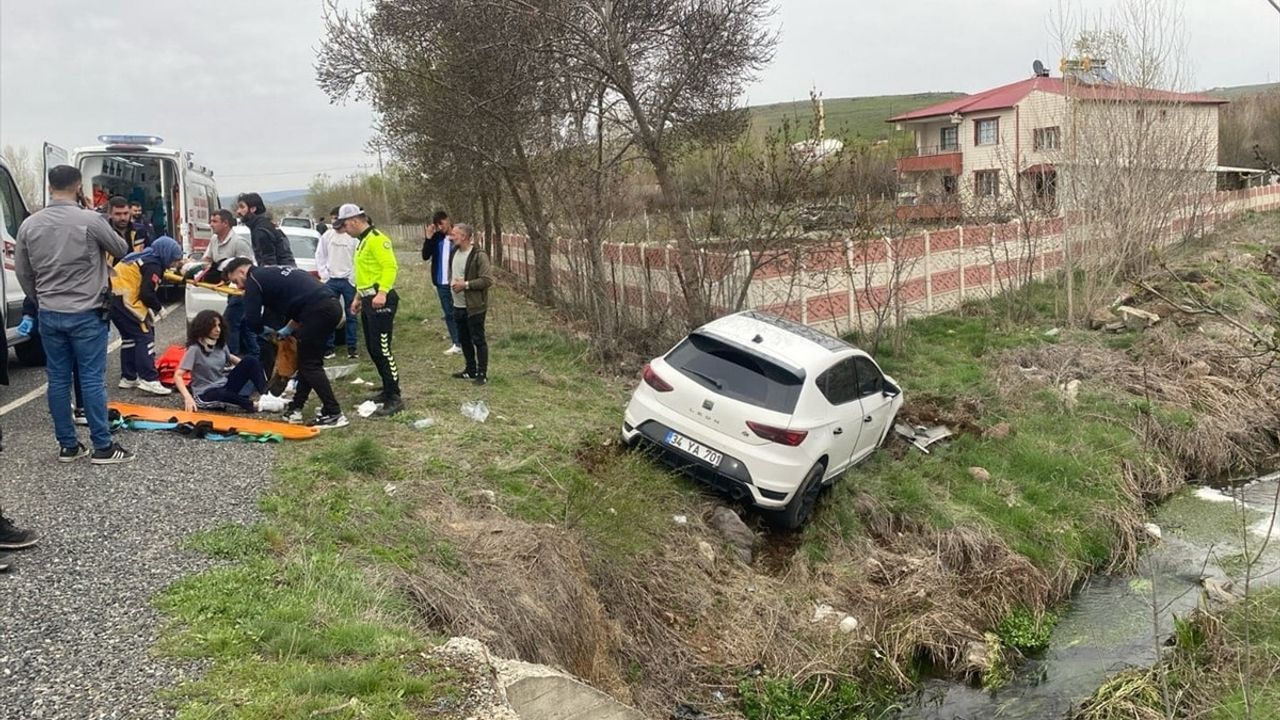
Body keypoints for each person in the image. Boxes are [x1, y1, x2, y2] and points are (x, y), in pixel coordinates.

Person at [14, 164, 134, 464]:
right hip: (86, 311)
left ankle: (68, 446)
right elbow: (121, 249)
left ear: (50, 186)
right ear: (79, 186)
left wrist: (39, 299)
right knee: (91, 378)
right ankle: (103, 446)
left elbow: (23, 271)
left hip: (50, 312)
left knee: (57, 379)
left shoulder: (29, 225)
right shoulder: (90, 220)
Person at [222, 258, 348, 429]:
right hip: (328, 307)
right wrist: (287, 331)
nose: (238, 287)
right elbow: (300, 304)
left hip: (317, 311)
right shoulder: (272, 272)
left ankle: (334, 413)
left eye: (236, 281)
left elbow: (252, 319)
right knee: (306, 363)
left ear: (242, 272)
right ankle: (296, 409)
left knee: (310, 365)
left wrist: (264, 332)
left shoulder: (254, 280)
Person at [342, 204, 403, 415]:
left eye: (345, 225)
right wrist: (358, 297)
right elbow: (365, 273)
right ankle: (387, 388)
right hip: (368, 299)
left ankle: (395, 396)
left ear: (355, 221)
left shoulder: (377, 239)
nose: (344, 230)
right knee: (372, 348)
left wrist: (383, 292)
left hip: (381, 300)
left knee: (383, 349)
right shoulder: (362, 242)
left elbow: (390, 267)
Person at [110, 236, 186, 396]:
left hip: (114, 297)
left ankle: (129, 377)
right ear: (166, 254)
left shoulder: (145, 256)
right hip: (126, 299)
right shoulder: (154, 265)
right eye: (174, 260)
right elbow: (147, 293)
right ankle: (149, 378)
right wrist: (159, 308)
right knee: (144, 335)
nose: (173, 264)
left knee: (129, 338)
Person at [174, 310, 287, 414]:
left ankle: (268, 395)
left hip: (224, 385)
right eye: (213, 326)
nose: (218, 329)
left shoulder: (220, 345)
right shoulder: (195, 349)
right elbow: (178, 375)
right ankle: (257, 405)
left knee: (250, 360)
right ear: (204, 327)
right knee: (223, 394)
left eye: (219, 326)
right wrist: (187, 397)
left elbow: (232, 358)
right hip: (205, 393)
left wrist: (249, 367)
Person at [19, 296, 87, 425]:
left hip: (50, 313)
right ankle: (83, 409)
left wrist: (29, 312)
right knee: (85, 368)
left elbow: (30, 281)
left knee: (58, 372)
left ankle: (62, 414)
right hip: (82, 312)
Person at [200, 209, 257, 356]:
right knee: (244, 326)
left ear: (225, 223)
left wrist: (223, 270)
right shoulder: (214, 240)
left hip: (241, 290)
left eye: (214, 221)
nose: (211, 225)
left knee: (229, 323)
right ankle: (256, 357)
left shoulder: (239, 243)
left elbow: (247, 269)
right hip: (230, 291)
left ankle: (231, 358)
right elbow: (206, 260)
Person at [448, 223, 494, 386]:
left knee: (478, 339)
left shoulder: (479, 255)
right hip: (457, 305)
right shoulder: (454, 252)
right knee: (464, 339)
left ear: (464, 236)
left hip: (474, 306)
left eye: (454, 234)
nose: (451, 237)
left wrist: (466, 285)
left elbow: (487, 280)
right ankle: (470, 369)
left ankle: (482, 373)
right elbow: (452, 272)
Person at [316, 206, 359, 361]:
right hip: (331, 281)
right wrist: (325, 276)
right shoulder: (327, 236)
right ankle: (329, 348)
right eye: (332, 218)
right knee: (329, 315)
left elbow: (357, 259)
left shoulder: (353, 237)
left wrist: (352, 279)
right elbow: (320, 256)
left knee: (351, 315)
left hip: (348, 281)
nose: (335, 221)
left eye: (337, 218)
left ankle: (352, 348)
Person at [422, 210, 461, 354]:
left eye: (442, 223)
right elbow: (425, 256)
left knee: (461, 312)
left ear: (448, 220)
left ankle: (467, 340)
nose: (440, 227)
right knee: (449, 313)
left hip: (457, 282)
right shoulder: (437, 238)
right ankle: (457, 343)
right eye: (437, 225)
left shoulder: (458, 236)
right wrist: (428, 238)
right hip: (441, 282)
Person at [235, 192, 295, 267]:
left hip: (280, 275)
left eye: (242, 207)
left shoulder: (261, 231)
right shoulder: (266, 225)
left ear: (253, 209)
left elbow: (268, 264)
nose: (238, 211)